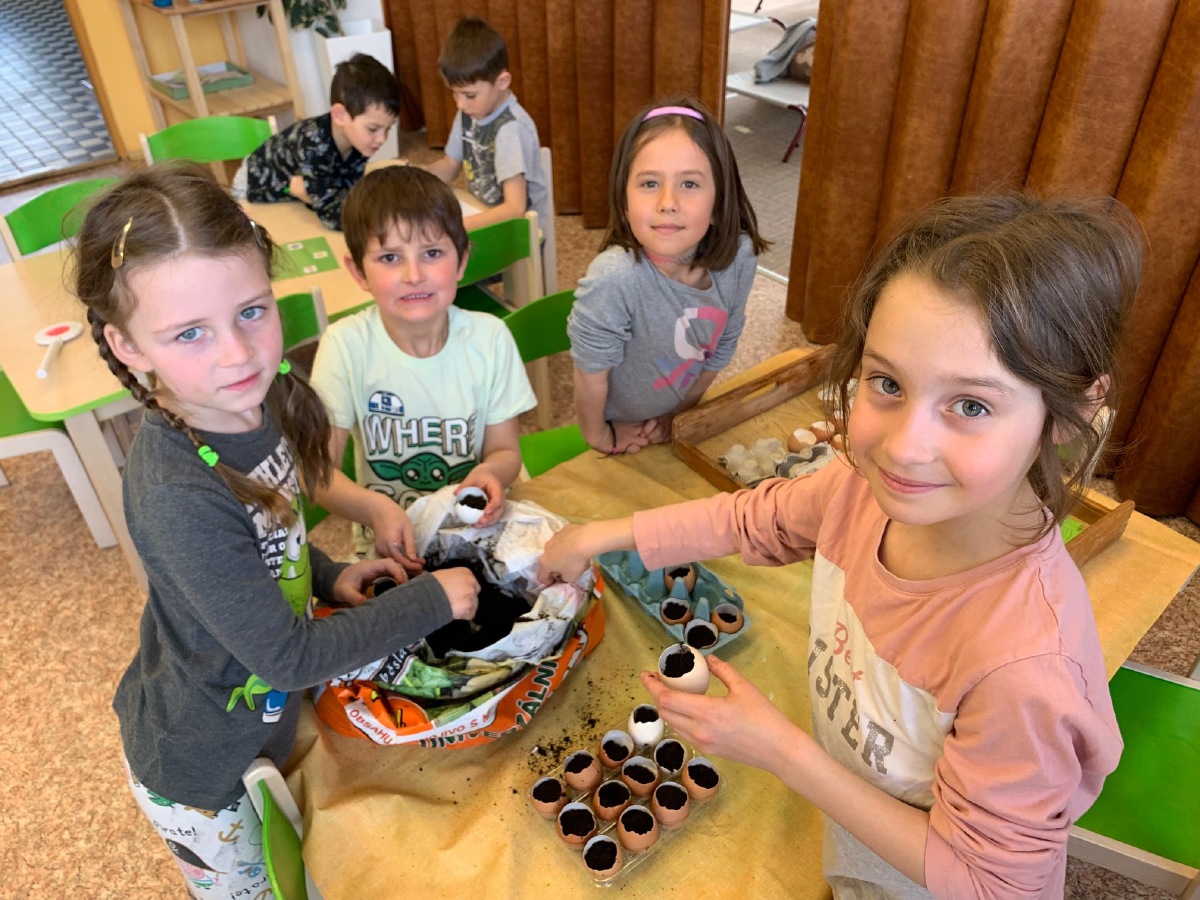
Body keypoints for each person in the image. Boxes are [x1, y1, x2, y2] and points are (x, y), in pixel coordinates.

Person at [539, 193, 1142, 897]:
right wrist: (601, 536)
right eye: (887, 383)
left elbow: (993, 881)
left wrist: (781, 750)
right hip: (862, 837)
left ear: (1074, 410)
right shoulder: (861, 491)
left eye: (972, 405)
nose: (904, 448)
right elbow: (753, 519)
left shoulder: (1023, 668)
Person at [72, 163, 481, 899]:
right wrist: (431, 601)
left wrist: (328, 575)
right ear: (128, 345)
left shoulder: (257, 404)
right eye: (189, 332)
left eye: (252, 312)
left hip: (262, 722)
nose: (237, 352)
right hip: (203, 768)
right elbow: (290, 658)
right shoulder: (175, 492)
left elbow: (272, 532)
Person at [310, 165, 536, 562]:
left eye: (432, 253)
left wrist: (491, 473)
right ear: (358, 271)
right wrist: (376, 510)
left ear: (461, 261)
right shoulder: (344, 346)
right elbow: (318, 475)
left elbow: (505, 451)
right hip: (389, 549)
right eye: (390, 257)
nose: (414, 275)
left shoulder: (491, 339)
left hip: (475, 535)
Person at [568, 97, 770, 455]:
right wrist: (600, 436)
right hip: (618, 430)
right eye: (649, 183)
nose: (667, 202)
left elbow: (723, 343)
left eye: (689, 184)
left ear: (719, 201)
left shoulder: (740, 257)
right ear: (624, 201)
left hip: (677, 416)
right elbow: (590, 373)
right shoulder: (614, 278)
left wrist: (679, 413)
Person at [234, 53, 400, 230]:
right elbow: (331, 216)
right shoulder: (313, 145)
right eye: (373, 129)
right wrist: (380, 221)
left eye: (388, 129)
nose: (382, 139)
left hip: (296, 185)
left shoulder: (360, 140)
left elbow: (352, 193)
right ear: (340, 115)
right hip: (254, 184)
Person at [420, 16, 548, 232]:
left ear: (502, 82)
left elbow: (515, 209)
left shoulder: (510, 129)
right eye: (454, 93)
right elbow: (450, 166)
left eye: (469, 95)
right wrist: (419, 175)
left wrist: (461, 226)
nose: (460, 104)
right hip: (483, 213)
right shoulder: (469, 112)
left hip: (520, 233)